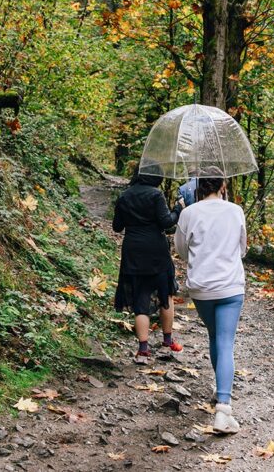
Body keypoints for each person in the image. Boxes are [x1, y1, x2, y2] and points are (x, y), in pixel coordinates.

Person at [174, 172, 247, 435]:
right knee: (225, 341)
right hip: (229, 286)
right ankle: (223, 410)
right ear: (223, 186)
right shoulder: (235, 211)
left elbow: (182, 250)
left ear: (198, 188)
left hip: (201, 287)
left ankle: (220, 389)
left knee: (215, 336)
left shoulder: (189, 213)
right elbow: (243, 249)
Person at [112, 171, 185, 364]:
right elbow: (167, 222)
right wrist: (178, 209)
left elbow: (117, 227)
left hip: (133, 251)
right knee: (165, 295)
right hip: (156, 250)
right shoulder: (155, 194)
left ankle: (143, 349)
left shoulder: (124, 196)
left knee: (140, 299)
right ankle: (167, 342)